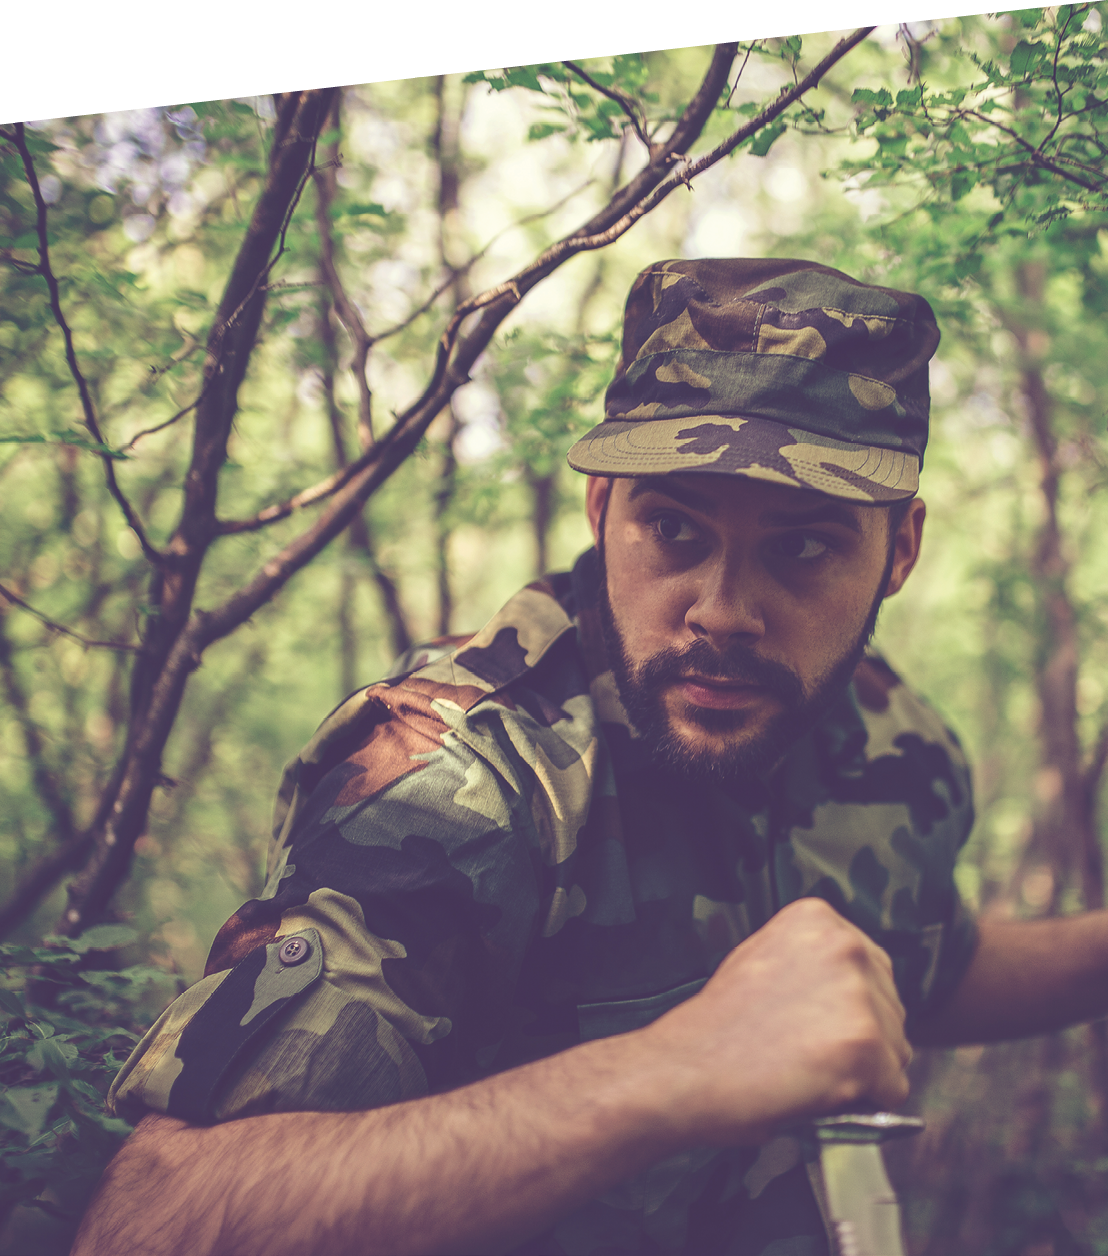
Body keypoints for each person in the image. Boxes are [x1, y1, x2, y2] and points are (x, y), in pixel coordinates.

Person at [74, 259, 1108, 1256]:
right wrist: (678, 1067)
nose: (723, 610)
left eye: (803, 545)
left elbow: (932, 960)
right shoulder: (456, 780)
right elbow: (158, 1217)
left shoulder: (890, 737)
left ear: (901, 550)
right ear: (602, 505)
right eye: (673, 526)